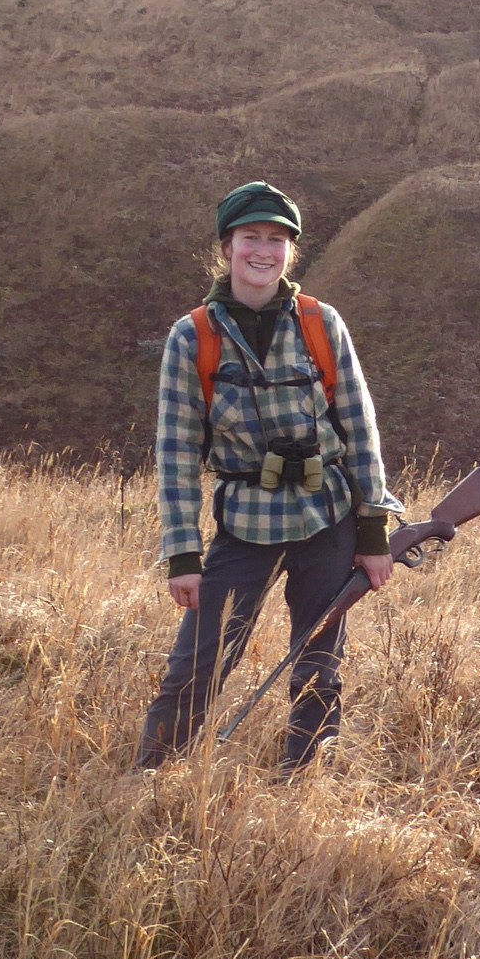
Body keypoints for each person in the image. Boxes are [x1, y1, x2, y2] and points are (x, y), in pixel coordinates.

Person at [137, 180, 403, 776]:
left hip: (327, 516)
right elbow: (177, 450)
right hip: (245, 524)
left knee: (318, 662)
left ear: (292, 251)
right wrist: (182, 553)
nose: (264, 250)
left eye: (277, 239)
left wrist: (373, 530)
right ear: (227, 247)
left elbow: (360, 429)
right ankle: (150, 780)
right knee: (198, 660)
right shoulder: (193, 336)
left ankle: (302, 779)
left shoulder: (320, 323)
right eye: (251, 237)